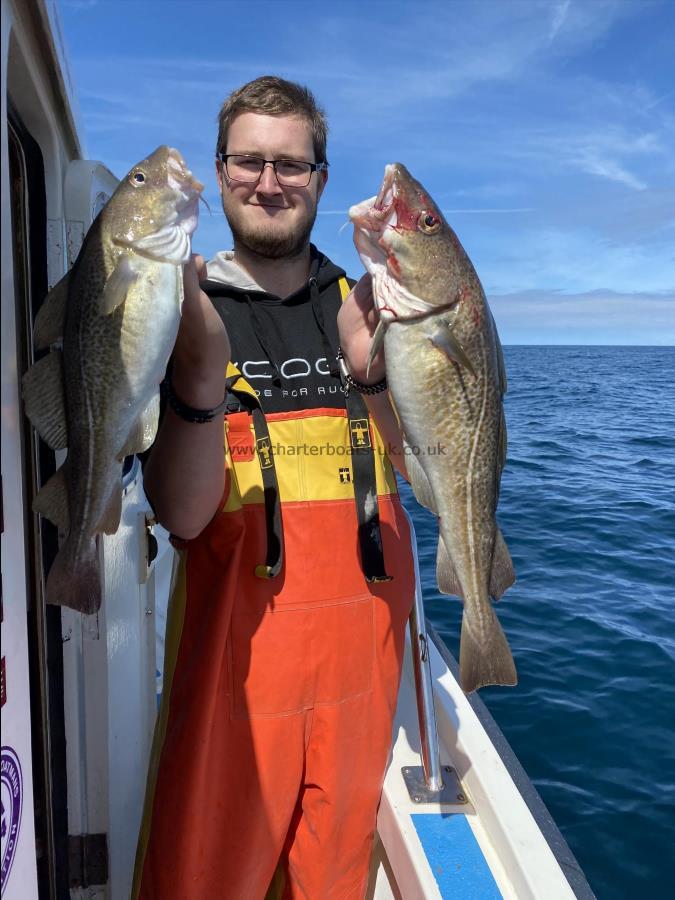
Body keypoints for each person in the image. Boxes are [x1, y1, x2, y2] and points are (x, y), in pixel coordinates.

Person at [133, 76, 415, 899]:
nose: (269, 183)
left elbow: (419, 476)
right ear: (220, 174)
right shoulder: (183, 305)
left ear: (321, 179)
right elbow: (184, 516)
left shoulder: (365, 302)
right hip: (231, 682)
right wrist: (196, 372)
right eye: (249, 161)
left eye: (291, 165)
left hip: (365, 684)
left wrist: (370, 379)